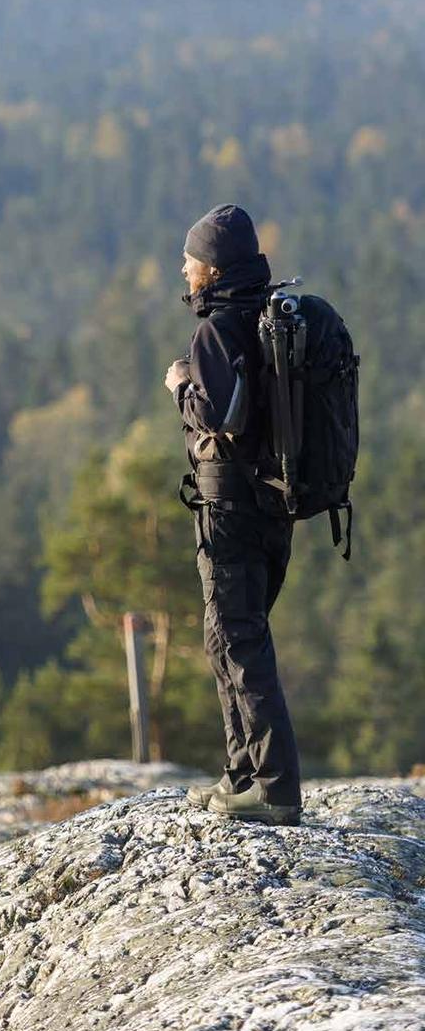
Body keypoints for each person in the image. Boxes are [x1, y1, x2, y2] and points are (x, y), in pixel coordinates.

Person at [165, 203, 302, 826]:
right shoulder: (269, 320)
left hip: (231, 511)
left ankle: (273, 787)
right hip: (273, 506)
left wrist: (180, 387)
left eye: (191, 261)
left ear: (213, 269)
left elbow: (219, 421)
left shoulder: (217, 330)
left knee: (239, 640)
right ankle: (241, 772)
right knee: (228, 637)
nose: (183, 268)